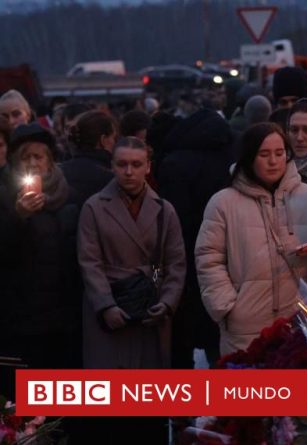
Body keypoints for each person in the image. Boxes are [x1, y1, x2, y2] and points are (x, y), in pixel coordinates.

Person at [196, 123, 307, 355]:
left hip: (302, 319)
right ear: (249, 157)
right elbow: (208, 258)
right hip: (246, 324)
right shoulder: (223, 203)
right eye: (264, 154)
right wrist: (227, 306)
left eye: (279, 154)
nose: (273, 161)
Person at [78, 135, 185, 368]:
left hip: (149, 310)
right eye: (122, 164)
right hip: (109, 306)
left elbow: (173, 263)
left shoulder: (165, 210)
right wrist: (105, 305)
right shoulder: (93, 207)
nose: (129, 171)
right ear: (112, 166)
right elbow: (89, 263)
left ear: (148, 167)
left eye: (136, 165)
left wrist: (165, 301)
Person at [0, 124, 81, 400]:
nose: (33, 163)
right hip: (19, 322)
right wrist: (18, 217)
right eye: (26, 157)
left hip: (62, 321)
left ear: (50, 161)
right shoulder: (4, 196)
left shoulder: (68, 195)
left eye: (39, 156)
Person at [157, 108, 235, 368]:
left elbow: (173, 222)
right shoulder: (232, 154)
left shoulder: (174, 163)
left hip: (187, 265)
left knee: (183, 346)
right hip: (230, 262)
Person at [60, 110, 117, 209]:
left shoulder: (59, 172)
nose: (115, 143)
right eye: (114, 138)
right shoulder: (111, 178)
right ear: (103, 140)